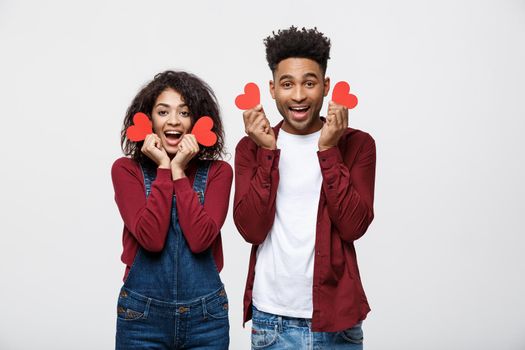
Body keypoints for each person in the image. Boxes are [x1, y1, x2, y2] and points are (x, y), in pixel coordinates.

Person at [234, 27, 376, 349]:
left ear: (325, 86)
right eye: (287, 84)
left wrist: (328, 151)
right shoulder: (251, 148)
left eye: (309, 83)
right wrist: (268, 154)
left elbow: (353, 226)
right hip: (272, 320)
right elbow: (251, 230)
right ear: (272, 89)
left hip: (338, 323)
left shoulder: (358, 145)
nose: (298, 95)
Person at [112, 70, 232, 349]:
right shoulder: (126, 170)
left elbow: (201, 240)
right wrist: (164, 168)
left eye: (184, 112)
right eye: (163, 112)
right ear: (148, 120)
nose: (174, 120)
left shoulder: (219, 173)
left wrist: (178, 170)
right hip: (141, 317)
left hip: (207, 318)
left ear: (198, 121)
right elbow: (151, 239)